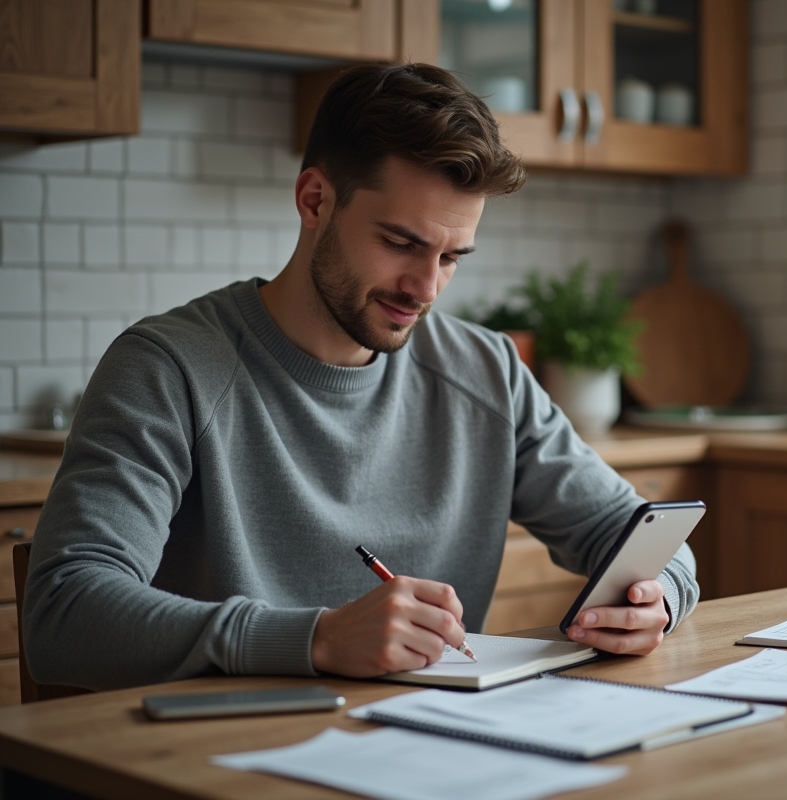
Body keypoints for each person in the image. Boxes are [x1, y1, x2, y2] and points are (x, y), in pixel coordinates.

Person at [23, 63, 698, 691]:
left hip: (428, 750)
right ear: (314, 200)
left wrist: (657, 596)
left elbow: (642, 533)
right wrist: (315, 638)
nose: (425, 287)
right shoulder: (167, 369)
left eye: (452, 256)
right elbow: (64, 614)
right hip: (214, 758)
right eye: (400, 243)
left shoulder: (486, 373)